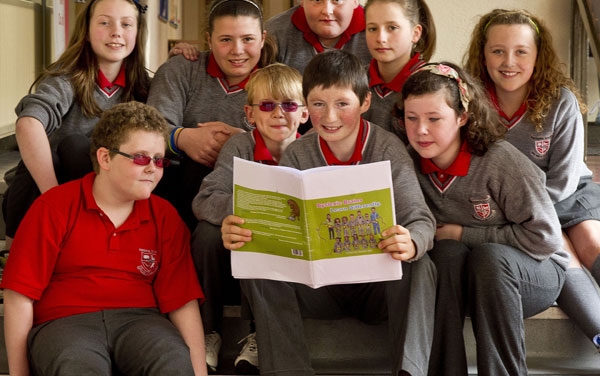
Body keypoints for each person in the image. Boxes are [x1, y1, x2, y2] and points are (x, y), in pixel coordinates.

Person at [224, 50, 437, 376]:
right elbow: (282, 226)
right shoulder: (297, 153)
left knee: (420, 265)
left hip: (375, 286)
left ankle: (408, 371)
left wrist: (412, 241)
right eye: (319, 104)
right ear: (307, 108)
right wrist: (242, 229)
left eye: (342, 104)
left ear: (365, 102)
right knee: (259, 259)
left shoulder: (387, 149)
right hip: (318, 288)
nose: (330, 116)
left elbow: (421, 219)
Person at [1, 101, 207, 376]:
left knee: (171, 360)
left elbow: (182, 303)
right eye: (141, 158)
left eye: (159, 160)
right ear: (105, 158)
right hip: (64, 323)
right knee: (78, 368)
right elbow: (19, 296)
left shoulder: (164, 215)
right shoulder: (54, 206)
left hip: (141, 321)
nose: (153, 169)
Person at [395, 62, 568, 375]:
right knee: (444, 254)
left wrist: (466, 234)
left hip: (534, 274)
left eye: (434, 119)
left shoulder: (500, 162)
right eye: (411, 118)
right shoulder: (406, 163)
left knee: (488, 258)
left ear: (462, 117)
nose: (420, 130)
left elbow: (547, 239)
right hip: (467, 278)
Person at [464, 9, 600, 347]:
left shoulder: (560, 101)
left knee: (589, 241)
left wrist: (532, 212)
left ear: (538, 56)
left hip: (565, 194)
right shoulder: (470, 103)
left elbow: (565, 179)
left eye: (521, 51)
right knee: (558, 246)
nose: (509, 61)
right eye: (497, 50)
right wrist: (524, 216)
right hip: (508, 206)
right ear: (483, 54)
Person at [2, 0, 150, 250]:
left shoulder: (146, 87)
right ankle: (14, 252)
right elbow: (28, 123)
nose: (116, 31)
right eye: (104, 22)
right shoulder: (67, 78)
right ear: (87, 31)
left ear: (138, 34)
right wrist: (55, 198)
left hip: (113, 193)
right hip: (51, 190)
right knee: (69, 146)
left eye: (126, 24)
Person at [190, 63, 309, 373]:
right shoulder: (239, 146)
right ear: (250, 114)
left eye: (289, 105)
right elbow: (204, 201)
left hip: (294, 254)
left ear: (305, 113)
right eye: (267, 105)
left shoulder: (313, 150)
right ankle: (207, 331)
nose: (278, 113)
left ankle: (261, 333)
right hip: (243, 240)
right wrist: (250, 210)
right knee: (205, 233)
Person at [147, 0, 277, 229]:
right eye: (225, 39)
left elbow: (292, 141)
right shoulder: (181, 70)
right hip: (178, 186)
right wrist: (182, 138)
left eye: (248, 39)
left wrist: (245, 141)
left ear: (262, 38)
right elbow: (148, 128)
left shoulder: (277, 83)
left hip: (245, 194)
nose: (237, 50)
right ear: (208, 40)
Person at [363, 0, 436, 133]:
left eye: (392, 28)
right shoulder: (354, 80)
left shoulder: (434, 85)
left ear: (415, 33)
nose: (381, 38)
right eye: (372, 28)